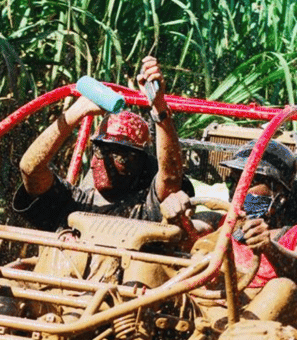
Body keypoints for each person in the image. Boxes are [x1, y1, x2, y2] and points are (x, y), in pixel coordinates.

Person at [13, 56, 191, 232]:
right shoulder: (73, 202)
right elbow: (30, 169)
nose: (106, 162)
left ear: (140, 164)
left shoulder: (146, 209)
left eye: (120, 156)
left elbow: (170, 177)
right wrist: (77, 111)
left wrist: (158, 106)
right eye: (100, 150)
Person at [199, 140, 297, 328]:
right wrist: (177, 215)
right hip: (203, 307)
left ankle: (234, 337)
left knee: (283, 287)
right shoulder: (217, 222)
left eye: (251, 182)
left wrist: (270, 247)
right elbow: (185, 230)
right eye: (233, 180)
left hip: (260, 324)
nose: (238, 188)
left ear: (280, 195)